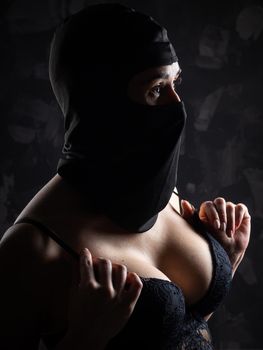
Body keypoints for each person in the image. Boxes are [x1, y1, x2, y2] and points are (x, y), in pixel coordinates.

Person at [0, 4, 251, 350]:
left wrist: (227, 260)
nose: (176, 105)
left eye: (175, 82)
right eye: (155, 89)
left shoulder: (162, 193)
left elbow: (180, 331)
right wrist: (84, 339)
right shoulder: (31, 249)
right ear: (103, 101)